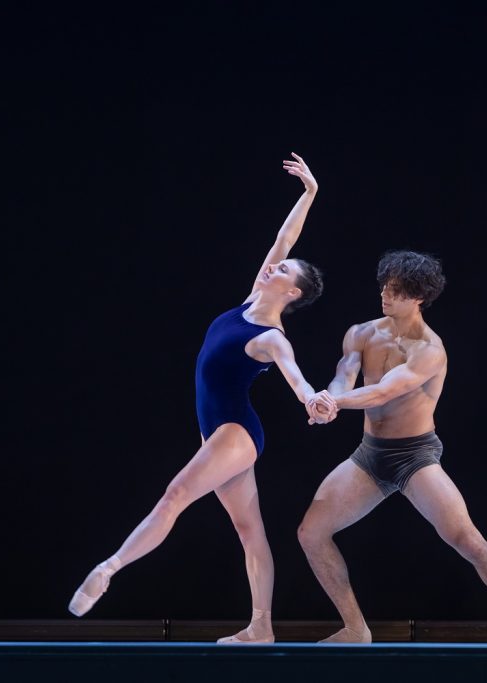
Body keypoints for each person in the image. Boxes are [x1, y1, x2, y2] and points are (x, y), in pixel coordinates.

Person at [69, 153, 334, 646]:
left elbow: (296, 378)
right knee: (248, 530)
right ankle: (261, 627)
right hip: (218, 429)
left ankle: (109, 569)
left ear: (293, 294)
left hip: (236, 431)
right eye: (277, 264)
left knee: (175, 496)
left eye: (284, 271)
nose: (274, 264)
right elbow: (285, 239)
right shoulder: (251, 297)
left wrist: (311, 399)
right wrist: (309, 194)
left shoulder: (273, 335)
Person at [299, 251, 487, 645]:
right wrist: (327, 403)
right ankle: (356, 628)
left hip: (414, 456)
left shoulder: (429, 349)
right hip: (370, 454)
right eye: (385, 284)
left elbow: (385, 390)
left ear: (418, 297)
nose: (386, 293)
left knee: (467, 540)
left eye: (397, 290)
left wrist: (336, 403)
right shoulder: (361, 332)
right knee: (311, 533)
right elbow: (344, 377)